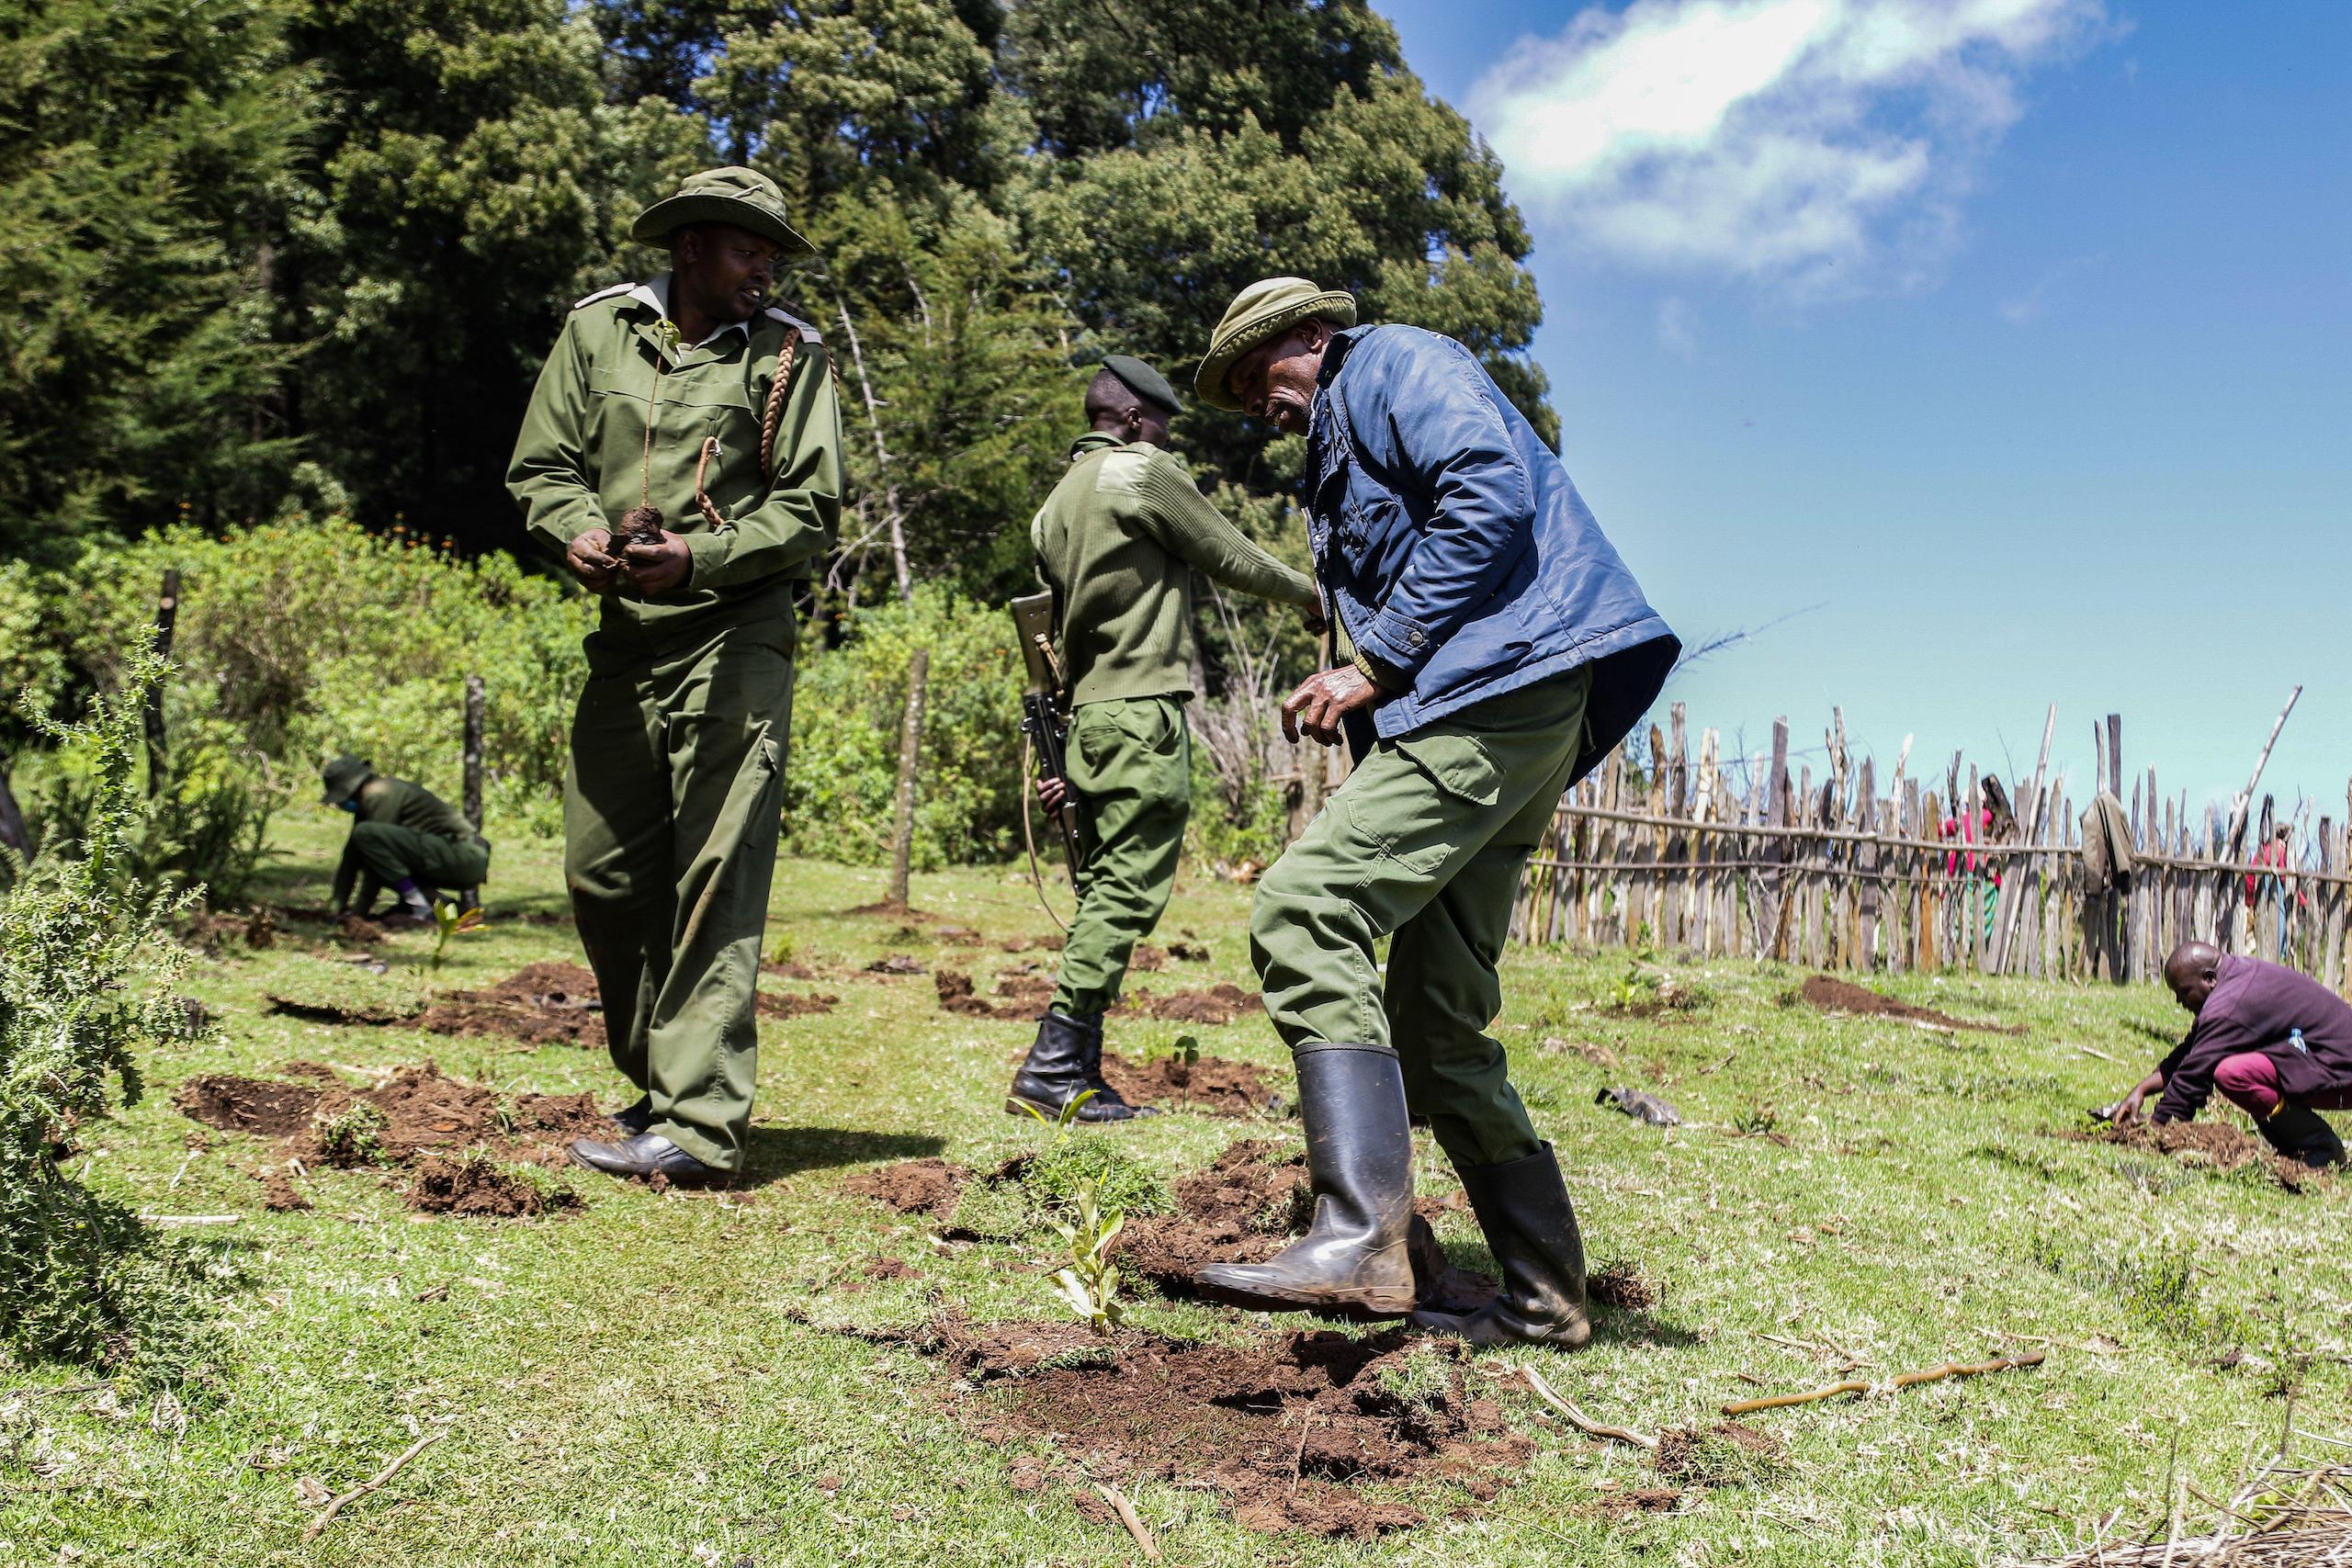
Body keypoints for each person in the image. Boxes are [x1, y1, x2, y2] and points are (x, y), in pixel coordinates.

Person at [1184, 277, 1677, 1347]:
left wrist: (1374, 660)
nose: (1254, 407)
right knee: (1435, 1026)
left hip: (1494, 696)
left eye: (1257, 378)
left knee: (1303, 909)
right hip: (1501, 705)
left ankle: (1361, 1231)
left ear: (1309, 339)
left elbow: (1489, 494)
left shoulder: (1394, 364)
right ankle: (1540, 1300)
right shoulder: (1337, 439)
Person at [506, 167, 843, 1185]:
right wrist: (577, 532)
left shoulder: (791, 357)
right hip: (624, 638)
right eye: (750, 250)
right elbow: (544, 465)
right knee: (603, 874)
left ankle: (698, 1128)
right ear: (692, 245)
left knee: (715, 874)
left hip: (735, 634)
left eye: (773, 256)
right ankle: (658, 1083)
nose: (764, 270)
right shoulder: (598, 332)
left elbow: (811, 508)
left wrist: (699, 557)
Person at [1008, 355, 1322, 1122]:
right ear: (1135, 420)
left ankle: (1076, 1067)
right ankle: (1053, 1065)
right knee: (1124, 891)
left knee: (1101, 887)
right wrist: (1307, 593)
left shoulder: (1052, 508)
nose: (1167, 441)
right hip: (1143, 711)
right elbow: (1228, 552)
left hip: (1087, 719)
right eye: (1164, 427)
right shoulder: (1141, 474)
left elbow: (1047, 633)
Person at [2109, 940, 2352, 1168]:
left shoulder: (2228, 1005)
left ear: (2209, 979)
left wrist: (2158, 1129)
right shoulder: (2237, 976)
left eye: (2183, 992)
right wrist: (2142, 1089)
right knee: (2239, 1069)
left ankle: (2321, 1147)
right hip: (2323, 1058)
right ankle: (2298, 1149)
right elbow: (2193, 1050)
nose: (2178, 1002)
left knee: (2233, 1073)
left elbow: (2192, 1077)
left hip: (2341, 1070)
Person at [322, 755, 489, 924]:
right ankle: (448, 909)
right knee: (373, 847)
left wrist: (359, 914)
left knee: (370, 843)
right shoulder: (369, 800)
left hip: (465, 855)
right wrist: (335, 909)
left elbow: (374, 865)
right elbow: (351, 857)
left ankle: (419, 906)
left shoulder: (379, 794)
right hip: (455, 857)